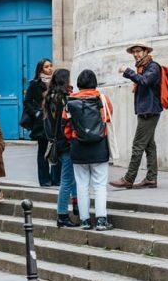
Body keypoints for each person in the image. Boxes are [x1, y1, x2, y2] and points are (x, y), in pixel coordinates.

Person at [63, 69, 114, 231]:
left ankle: (85, 220)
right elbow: (107, 118)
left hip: (78, 146)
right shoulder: (102, 99)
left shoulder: (70, 101)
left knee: (81, 185)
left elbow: (66, 127)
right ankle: (101, 220)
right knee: (99, 185)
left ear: (79, 83)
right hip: (99, 146)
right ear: (94, 82)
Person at [110, 40, 162, 190]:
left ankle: (128, 178)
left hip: (149, 111)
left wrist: (127, 71)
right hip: (145, 110)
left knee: (138, 145)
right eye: (134, 52)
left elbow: (144, 81)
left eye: (139, 51)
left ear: (146, 52)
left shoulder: (153, 67)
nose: (136, 54)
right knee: (149, 146)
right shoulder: (142, 67)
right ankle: (151, 178)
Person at [43, 69, 80, 228]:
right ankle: (62, 215)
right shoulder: (63, 99)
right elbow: (67, 123)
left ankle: (76, 204)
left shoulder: (50, 97)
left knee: (70, 178)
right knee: (66, 180)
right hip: (65, 143)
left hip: (57, 143)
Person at [24, 58, 60, 187]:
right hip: (42, 123)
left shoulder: (56, 82)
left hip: (56, 121)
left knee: (58, 149)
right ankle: (45, 180)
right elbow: (27, 102)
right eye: (46, 67)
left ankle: (56, 178)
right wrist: (37, 113)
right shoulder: (35, 84)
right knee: (43, 151)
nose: (50, 68)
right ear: (40, 69)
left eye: (50, 66)